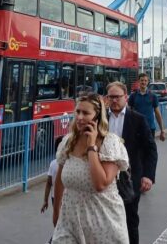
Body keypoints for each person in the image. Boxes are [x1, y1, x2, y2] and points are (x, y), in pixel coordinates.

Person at [53, 92, 130, 244]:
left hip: (102, 223)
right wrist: (56, 212)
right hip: (70, 221)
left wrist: (91, 147)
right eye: (78, 112)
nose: (80, 117)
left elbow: (100, 184)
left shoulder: (110, 143)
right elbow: (59, 181)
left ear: (97, 116)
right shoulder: (68, 142)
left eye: (86, 113)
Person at [106, 82, 158, 244]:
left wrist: (148, 176)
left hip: (129, 179)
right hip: (104, 179)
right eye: (111, 97)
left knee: (130, 221)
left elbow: (151, 149)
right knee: (105, 221)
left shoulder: (138, 120)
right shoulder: (99, 119)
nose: (114, 100)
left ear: (126, 97)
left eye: (118, 97)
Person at [128, 74, 165, 141]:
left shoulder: (153, 96)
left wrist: (162, 130)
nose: (143, 82)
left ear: (148, 82)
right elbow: (128, 113)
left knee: (150, 151)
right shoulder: (133, 96)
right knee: (137, 151)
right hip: (136, 128)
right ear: (139, 81)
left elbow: (158, 114)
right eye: (142, 80)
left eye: (145, 80)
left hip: (150, 128)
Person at [42, 136, 66, 213]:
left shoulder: (53, 164)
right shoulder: (70, 164)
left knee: (57, 217)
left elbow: (49, 184)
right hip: (68, 197)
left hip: (55, 197)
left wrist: (45, 201)